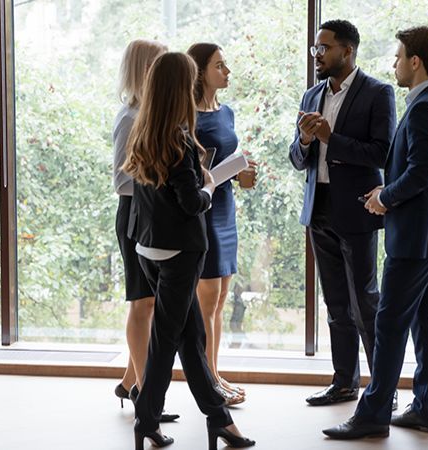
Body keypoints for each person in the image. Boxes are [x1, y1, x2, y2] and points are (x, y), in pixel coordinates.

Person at [323, 25, 428, 439]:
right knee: (426, 324)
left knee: (389, 324)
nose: (394, 64)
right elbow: (424, 173)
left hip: (415, 239)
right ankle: (426, 408)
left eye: (399, 57)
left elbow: (420, 174)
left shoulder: (424, 109)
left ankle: (373, 414)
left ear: (416, 62)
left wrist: (385, 198)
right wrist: (387, 189)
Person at [123, 52, 255, 450]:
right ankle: (146, 421)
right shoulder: (178, 139)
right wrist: (210, 186)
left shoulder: (143, 131)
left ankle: (219, 420)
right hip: (180, 253)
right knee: (166, 344)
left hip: (148, 248)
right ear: (182, 88)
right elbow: (191, 203)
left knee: (191, 339)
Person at [287, 19, 396, 407]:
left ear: (347, 51)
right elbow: (298, 159)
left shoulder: (378, 93)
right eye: (316, 49)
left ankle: (384, 389)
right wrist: (303, 139)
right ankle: (345, 382)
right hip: (318, 209)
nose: (316, 54)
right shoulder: (310, 96)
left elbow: (382, 154)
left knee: (366, 302)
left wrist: (331, 138)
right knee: (335, 303)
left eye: (324, 48)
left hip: (358, 209)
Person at [110, 39, 179, 423]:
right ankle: (141, 392)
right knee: (143, 301)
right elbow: (121, 181)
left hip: (154, 214)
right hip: (136, 214)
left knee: (152, 301)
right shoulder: (129, 118)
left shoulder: (153, 116)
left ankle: (130, 381)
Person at [187, 42, 257, 405]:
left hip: (225, 205)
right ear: (200, 72)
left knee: (222, 297)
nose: (227, 71)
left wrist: (243, 176)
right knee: (206, 300)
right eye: (220, 65)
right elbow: (186, 173)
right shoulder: (187, 117)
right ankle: (206, 380)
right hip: (202, 210)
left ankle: (214, 373)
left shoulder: (226, 112)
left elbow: (227, 163)